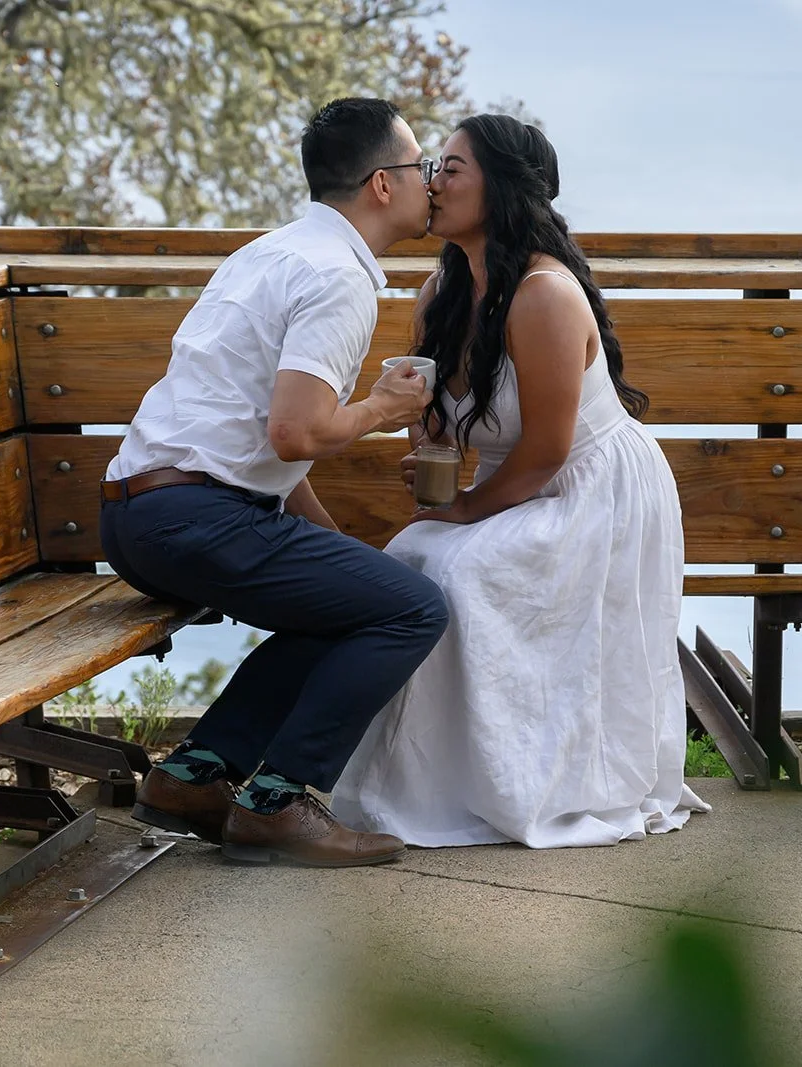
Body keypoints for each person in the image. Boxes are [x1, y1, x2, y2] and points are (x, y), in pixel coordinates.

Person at [330, 115, 710, 848]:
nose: (432, 183)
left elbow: (543, 452)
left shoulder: (544, 295)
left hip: (590, 488)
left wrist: (463, 509)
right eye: (432, 167)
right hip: (522, 482)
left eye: (450, 169)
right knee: (411, 559)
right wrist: (427, 440)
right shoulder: (443, 287)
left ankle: (518, 782)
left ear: (500, 189)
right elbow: (445, 414)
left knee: (454, 569)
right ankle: (427, 783)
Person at [100, 97, 447, 868]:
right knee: (415, 608)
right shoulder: (339, 278)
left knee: (357, 602)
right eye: (420, 168)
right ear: (382, 186)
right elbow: (297, 431)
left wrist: (336, 551)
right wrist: (384, 409)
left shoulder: (269, 252)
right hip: (195, 518)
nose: (431, 183)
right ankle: (278, 800)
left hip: (136, 516)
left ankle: (194, 776)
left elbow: (263, 444)